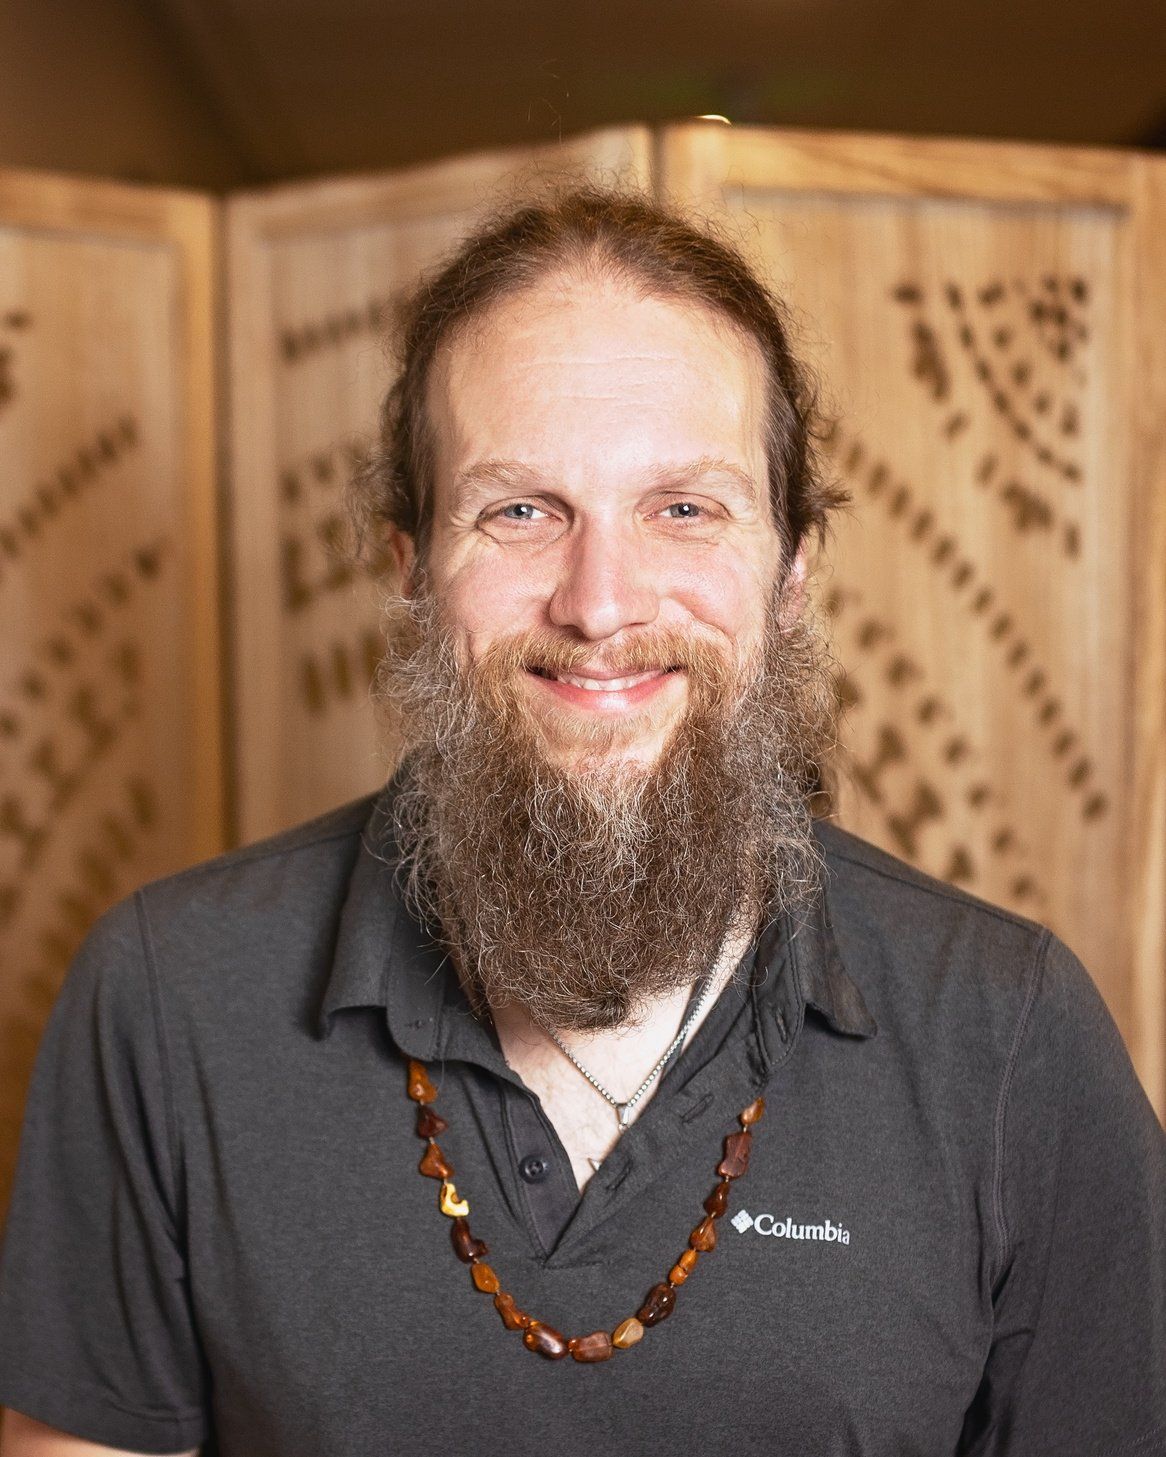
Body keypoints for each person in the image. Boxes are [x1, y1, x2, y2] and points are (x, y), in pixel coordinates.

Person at [0, 187, 1162, 1457]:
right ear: (408, 562)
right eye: (520, 510)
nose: (600, 603)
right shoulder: (168, 999)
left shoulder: (1007, 1038)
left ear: (790, 570)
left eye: (683, 507)